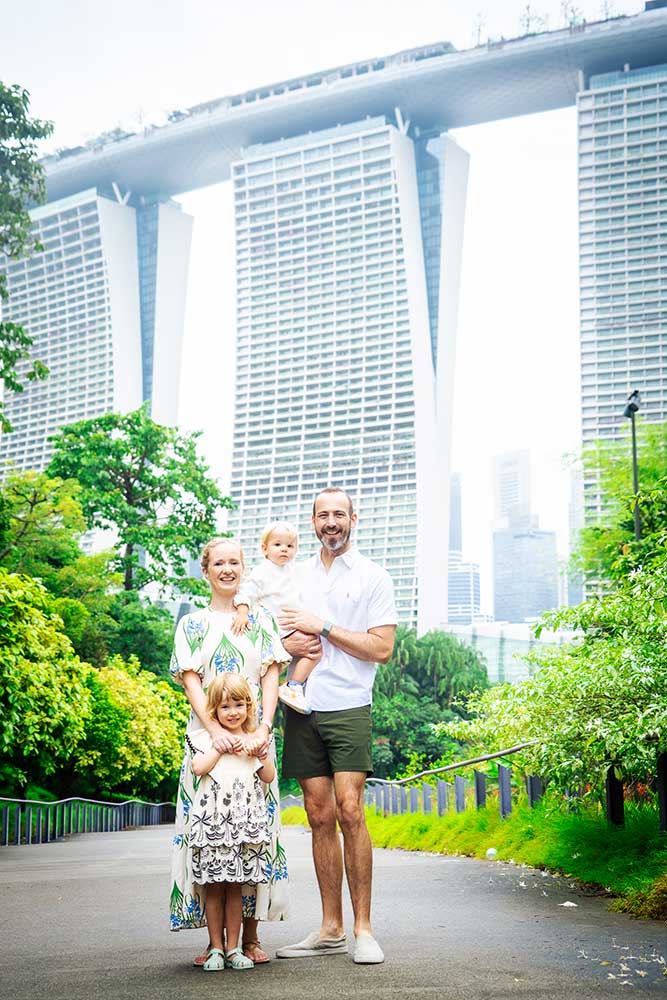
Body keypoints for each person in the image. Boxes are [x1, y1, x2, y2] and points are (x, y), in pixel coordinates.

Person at [276, 488, 397, 965]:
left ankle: (363, 929)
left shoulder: (373, 576)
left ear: (353, 519)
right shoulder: (296, 575)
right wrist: (289, 644)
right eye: (323, 515)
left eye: (339, 514)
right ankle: (331, 929)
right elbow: (277, 637)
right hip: (300, 702)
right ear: (313, 522)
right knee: (318, 814)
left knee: (350, 809)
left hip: (349, 704)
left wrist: (322, 625)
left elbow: (381, 648)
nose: (331, 522)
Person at [169, 537, 291, 967]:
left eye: (234, 562)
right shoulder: (192, 624)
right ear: (206, 571)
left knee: (254, 837)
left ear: (244, 568)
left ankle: (249, 939)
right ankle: (213, 942)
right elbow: (192, 682)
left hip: (254, 739)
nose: (227, 569)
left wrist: (265, 729)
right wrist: (215, 731)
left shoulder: (262, 620)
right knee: (207, 841)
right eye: (218, 563)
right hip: (207, 741)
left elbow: (271, 676)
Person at [187, 673, 276, 971]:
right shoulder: (205, 739)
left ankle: (234, 947)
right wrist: (219, 746)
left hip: (242, 827)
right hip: (214, 825)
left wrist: (263, 753)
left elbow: (268, 776)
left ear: (249, 707)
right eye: (225, 707)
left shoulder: (254, 740)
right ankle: (215, 947)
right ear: (214, 711)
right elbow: (198, 767)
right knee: (214, 887)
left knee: (235, 887)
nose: (233, 712)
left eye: (238, 705)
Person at [232, 520, 319, 715]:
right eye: (278, 544)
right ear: (265, 549)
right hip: (276, 627)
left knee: (310, 649)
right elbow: (246, 591)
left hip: (292, 625)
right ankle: (293, 686)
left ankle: (292, 686)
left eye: (290, 546)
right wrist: (242, 612)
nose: (284, 549)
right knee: (313, 651)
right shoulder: (263, 570)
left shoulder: (294, 571)